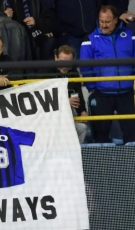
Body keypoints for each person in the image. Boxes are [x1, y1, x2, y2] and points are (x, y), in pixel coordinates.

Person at [80, 5, 135, 143]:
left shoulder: (130, 36)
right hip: (102, 94)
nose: (103, 25)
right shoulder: (90, 38)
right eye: (101, 21)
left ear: (116, 20)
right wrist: (93, 88)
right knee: (100, 136)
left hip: (127, 93)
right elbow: (85, 67)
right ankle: (103, 164)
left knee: (132, 134)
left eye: (107, 22)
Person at [50, 45, 87, 144]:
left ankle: (75, 156)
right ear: (56, 58)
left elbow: (78, 95)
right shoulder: (45, 72)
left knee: (82, 128)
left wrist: (83, 111)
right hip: (49, 119)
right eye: (62, 62)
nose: (65, 66)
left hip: (67, 116)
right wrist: (65, 102)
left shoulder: (74, 73)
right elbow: (43, 98)